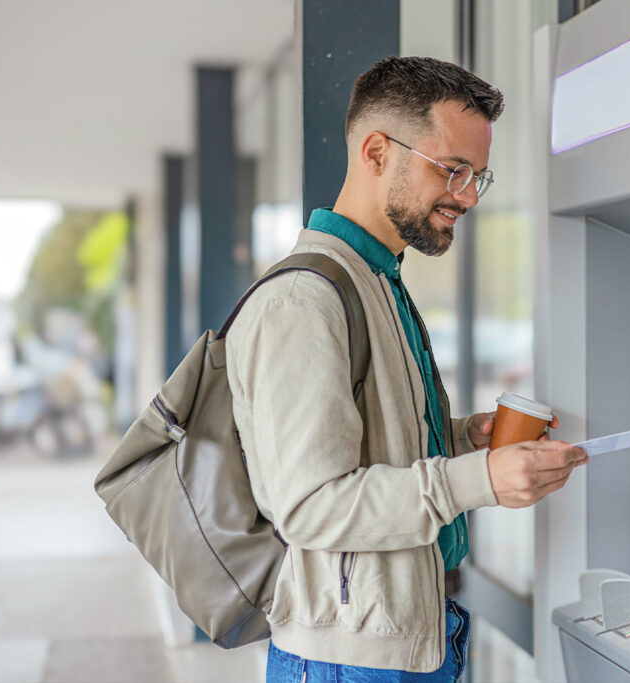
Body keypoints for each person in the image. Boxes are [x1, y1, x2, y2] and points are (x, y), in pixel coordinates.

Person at [225, 56, 587, 683]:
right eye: (453, 169)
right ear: (375, 153)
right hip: (351, 661)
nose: (468, 195)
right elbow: (312, 506)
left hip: (408, 640)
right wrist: (479, 481)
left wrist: (456, 438)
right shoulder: (303, 301)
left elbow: (366, 447)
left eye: (478, 175)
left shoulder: (378, 281)